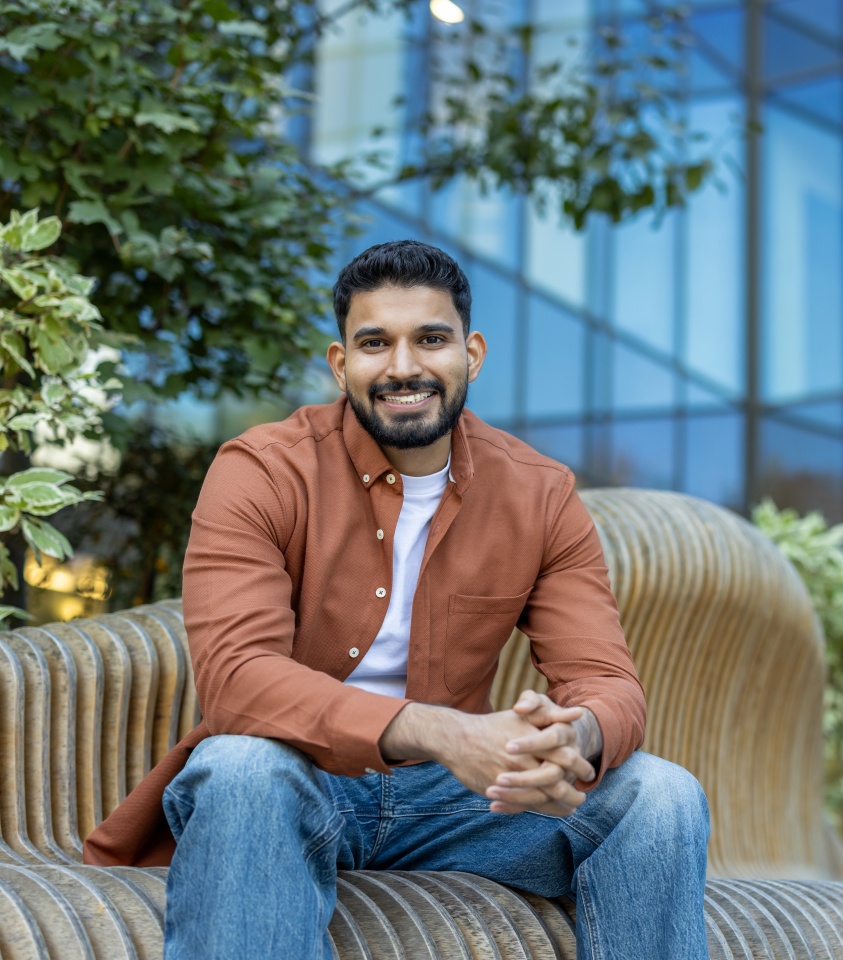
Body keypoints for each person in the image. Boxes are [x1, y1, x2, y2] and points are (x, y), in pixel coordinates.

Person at [83, 240, 710, 959]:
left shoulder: (540, 493)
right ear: (340, 363)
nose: (404, 367)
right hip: (298, 782)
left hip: (460, 806)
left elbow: (608, 682)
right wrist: (442, 732)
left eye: (431, 339)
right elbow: (238, 680)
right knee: (243, 766)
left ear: (471, 354)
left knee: (660, 796)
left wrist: (573, 739)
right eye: (375, 343)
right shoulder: (261, 469)